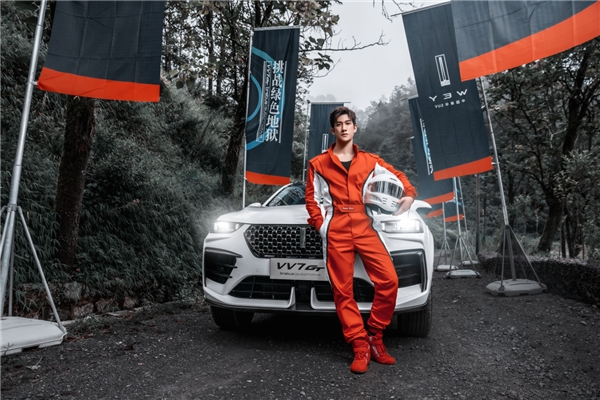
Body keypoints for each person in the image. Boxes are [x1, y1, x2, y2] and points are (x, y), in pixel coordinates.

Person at [305, 106, 416, 374]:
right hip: (336, 229)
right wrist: (321, 226)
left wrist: (409, 195)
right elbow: (312, 199)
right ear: (332, 130)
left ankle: (375, 336)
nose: (344, 128)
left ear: (355, 128)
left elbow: (400, 178)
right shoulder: (318, 164)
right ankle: (359, 345)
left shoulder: (370, 161)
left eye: (348, 123)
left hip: (366, 225)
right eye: (339, 124)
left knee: (389, 280)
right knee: (342, 291)